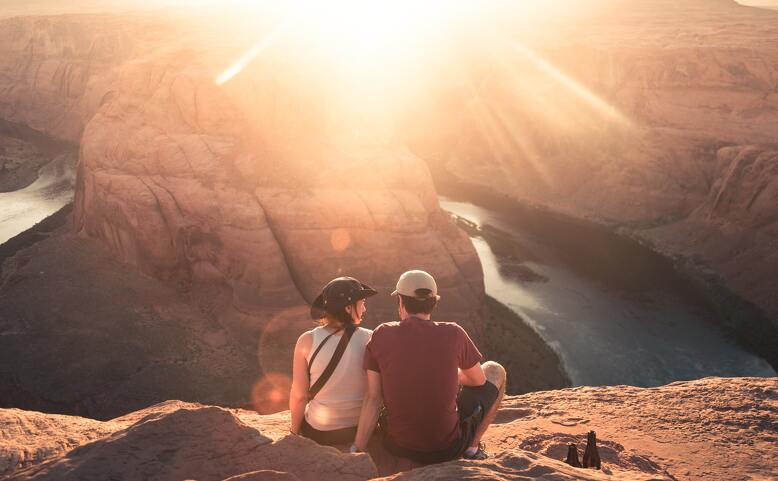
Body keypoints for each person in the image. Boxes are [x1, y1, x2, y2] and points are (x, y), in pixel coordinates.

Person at [351, 270, 506, 462]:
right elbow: (478, 380)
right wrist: (452, 375)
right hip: (446, 449)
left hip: (396, 446)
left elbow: (373, 398)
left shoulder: (381, 334)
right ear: (433, 302)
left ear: (401, 302)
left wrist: (357, 450)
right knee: (495, 370)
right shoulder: (454, 333)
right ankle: (472, 449)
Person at [289, 276, 376, 445]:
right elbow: (375, 395)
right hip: (358, 429)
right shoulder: (372, 338)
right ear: (349, 308)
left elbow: (299, 395)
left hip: (320, 432)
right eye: (362, 303)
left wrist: (294, 432)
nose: (364, 308)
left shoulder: (306, 340)